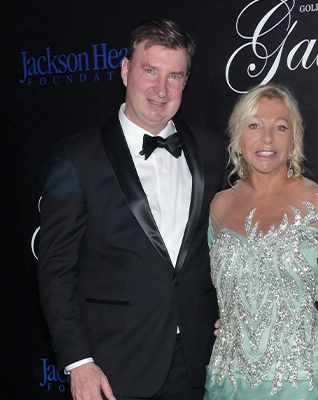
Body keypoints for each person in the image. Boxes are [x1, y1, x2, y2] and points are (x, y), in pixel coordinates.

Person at [38, 19, 227, 400]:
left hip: (199, 363)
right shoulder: (76, 158)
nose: (161, 89)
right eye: (150, 71)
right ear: (126, 70)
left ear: (186, 82)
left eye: (175, 75)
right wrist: (79, 362)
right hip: (113, 368)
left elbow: (229, 242)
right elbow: (56, 269)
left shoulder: (213, 152)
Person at [203, 84, 318, 400]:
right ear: (237, 136)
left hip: (303, 381)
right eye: (254, 126)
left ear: (293, 140)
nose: (267, 138)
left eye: (280, 127)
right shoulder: (219, 206)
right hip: (229, 380)